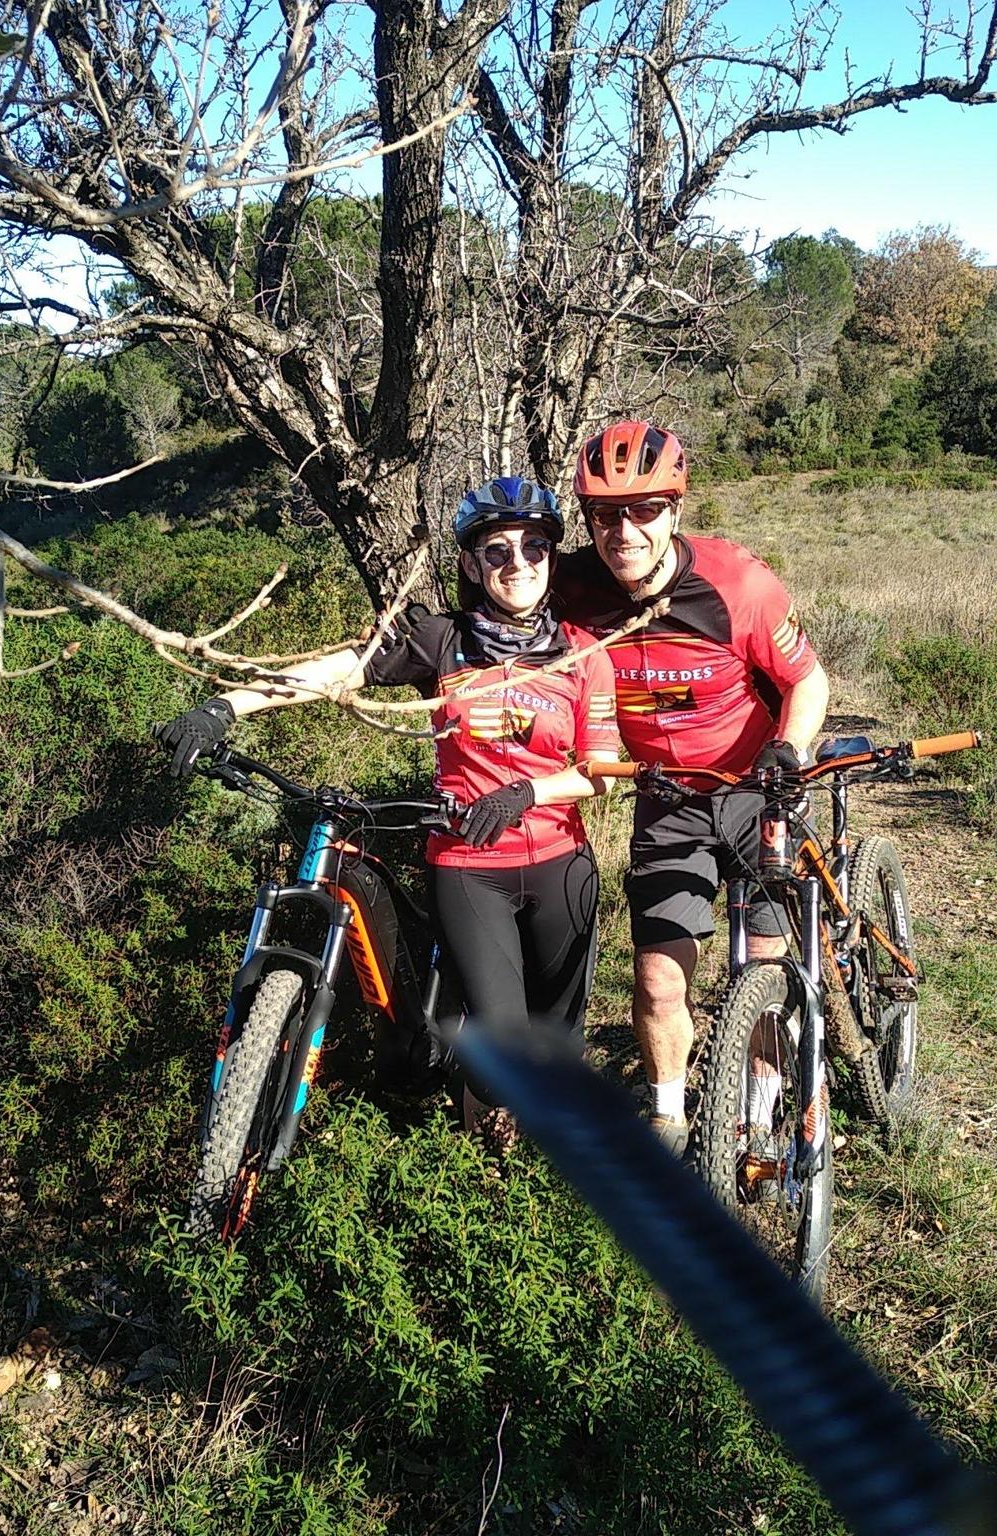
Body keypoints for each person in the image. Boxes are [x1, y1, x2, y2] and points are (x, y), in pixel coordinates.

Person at [152, 477, 621, 1149]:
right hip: (468, 866)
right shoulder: (442, 641)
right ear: (471, 565)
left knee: (557, 1040)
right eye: (497, 551)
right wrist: (227, 706)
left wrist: (526, 793)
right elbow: (338, 670)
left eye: (534, 548)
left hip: (561, 865)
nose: (517, 564)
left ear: (551, 557)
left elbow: (598, 772)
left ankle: (521, 1170)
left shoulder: (582, 653)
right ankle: (484, 1122)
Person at [552, 421, 830, 1153]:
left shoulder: (737, 584)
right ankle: (669, 1119)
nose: (624, 532)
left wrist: (788, 750)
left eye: (644, 510)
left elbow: (807, 680)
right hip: (666, 800)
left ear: (674, 509)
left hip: (756, 789)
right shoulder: (572, 590)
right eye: (605, 514)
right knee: (656, 979)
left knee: (768, 963)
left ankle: (763, 1116)